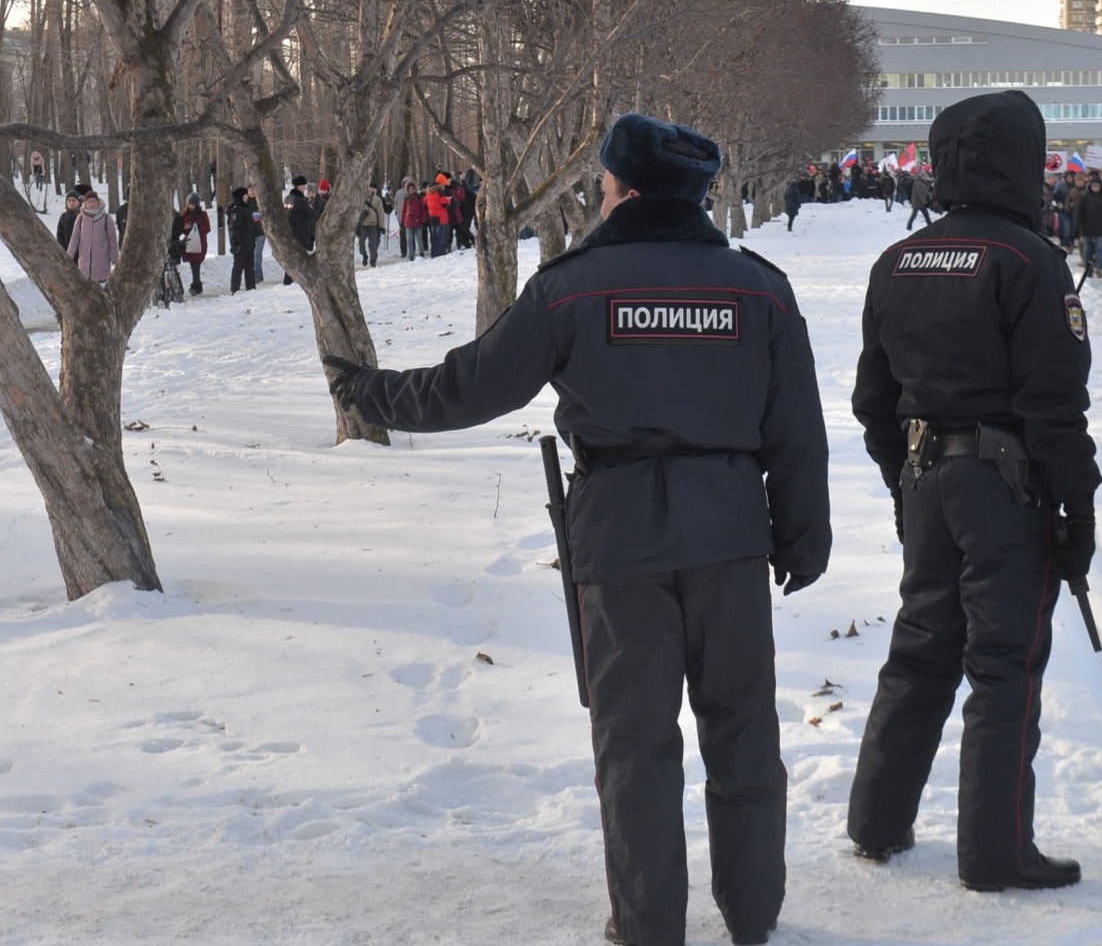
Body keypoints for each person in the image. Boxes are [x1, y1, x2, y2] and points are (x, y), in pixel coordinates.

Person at [321, 113, 830, 946]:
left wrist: (370, 394)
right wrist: (803, 538)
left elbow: (471, 387)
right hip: (732, 538)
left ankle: (648, 925)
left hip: (619, 543)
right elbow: (797, 430)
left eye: (601, 184)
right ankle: (752, 918)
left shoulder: (574, 286)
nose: (597, 196)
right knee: (744, 738)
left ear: (623, 190)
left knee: (634, 750)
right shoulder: (759, 289)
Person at [847, 89, 1101, 893]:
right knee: (1004, 663)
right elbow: (1054, 404)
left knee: (921, 649)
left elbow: (873, 399)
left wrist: (905, 480)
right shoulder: (1030, 262)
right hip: (1004, 484)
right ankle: (995, 852)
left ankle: (877, 821)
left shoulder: (898, 261)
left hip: (927, 475)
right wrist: (1077, 506)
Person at [66, 191, 119, 281]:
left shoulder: (106, 218)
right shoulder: (80, 218)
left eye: (94, 201)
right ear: (85, 203)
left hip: (102, 263)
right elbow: (75, 238)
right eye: (89, 202)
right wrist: (69, 255)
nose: (92, 204)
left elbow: (112, 240)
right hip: (84, 264)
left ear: (98, 202)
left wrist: (115, 259)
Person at [1074, 171, 1102, 279]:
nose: (1095, 188)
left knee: (1099, 249)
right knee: (1088, 250)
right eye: (1094, 186)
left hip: (1101, 228)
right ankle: (1088, 269)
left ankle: (1100, 267)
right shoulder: (1084, 197)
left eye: (1097, 186)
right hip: (1087, 228)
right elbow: (1079, 213)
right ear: (1090, 186)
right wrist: (1078, 227)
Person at [171, 192, 210, 294]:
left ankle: (196, 286)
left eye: (193, 204)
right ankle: (196, 286)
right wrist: (185, 228)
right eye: (189, 204)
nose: (191, 206)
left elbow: (207, 228)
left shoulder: (203, 214)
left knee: (196, 265)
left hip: (199, 243)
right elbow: (182, 229)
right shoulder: (185, 215)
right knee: (194, 265)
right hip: (189, 242)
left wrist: (197, 225)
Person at [284, 175, 317, 287]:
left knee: (292, 259)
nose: (305, 188)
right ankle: (293, 282)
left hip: (289, 233)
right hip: (301, 233)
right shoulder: (301, 201)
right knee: (301, 260)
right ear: (299, 186)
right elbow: (311, 215)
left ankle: (288, 281)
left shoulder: (288, 198)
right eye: (303, 186)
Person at [225, 186, 259, 293]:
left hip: (249, 242)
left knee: (250, 268)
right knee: (238, 267)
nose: (247, 197)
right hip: (241, 243)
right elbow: (234, 228)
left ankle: (251, 289)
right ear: (241, 196)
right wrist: (235, 243)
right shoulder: (237, 209)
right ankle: (235, 289)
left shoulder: (246, 207)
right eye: (245, 195)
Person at [357, 181, 388, 267]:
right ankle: (364, 255)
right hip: (363, 225)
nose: (371, 190)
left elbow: (381, 213)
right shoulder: (361, 198)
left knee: (373, 245)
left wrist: (381, 226)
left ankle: (373, 260)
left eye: (374, 188)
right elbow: (357, 211)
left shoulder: (377, 199)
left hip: (373, 225)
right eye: (370, 188)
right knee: (361, 244)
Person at [398, 178, 427, 259]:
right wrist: (402, 221)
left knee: (419, 239)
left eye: (412, 188)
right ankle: (411, 254)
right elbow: (403, 210)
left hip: (418, 221)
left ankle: (421, 252)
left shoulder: (419, 198)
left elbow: (423, 209)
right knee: (410, 239)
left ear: (415, 189)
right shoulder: (406, 198)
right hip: (408, 222)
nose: (411, 190)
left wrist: (423, 219)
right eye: (409, 188)